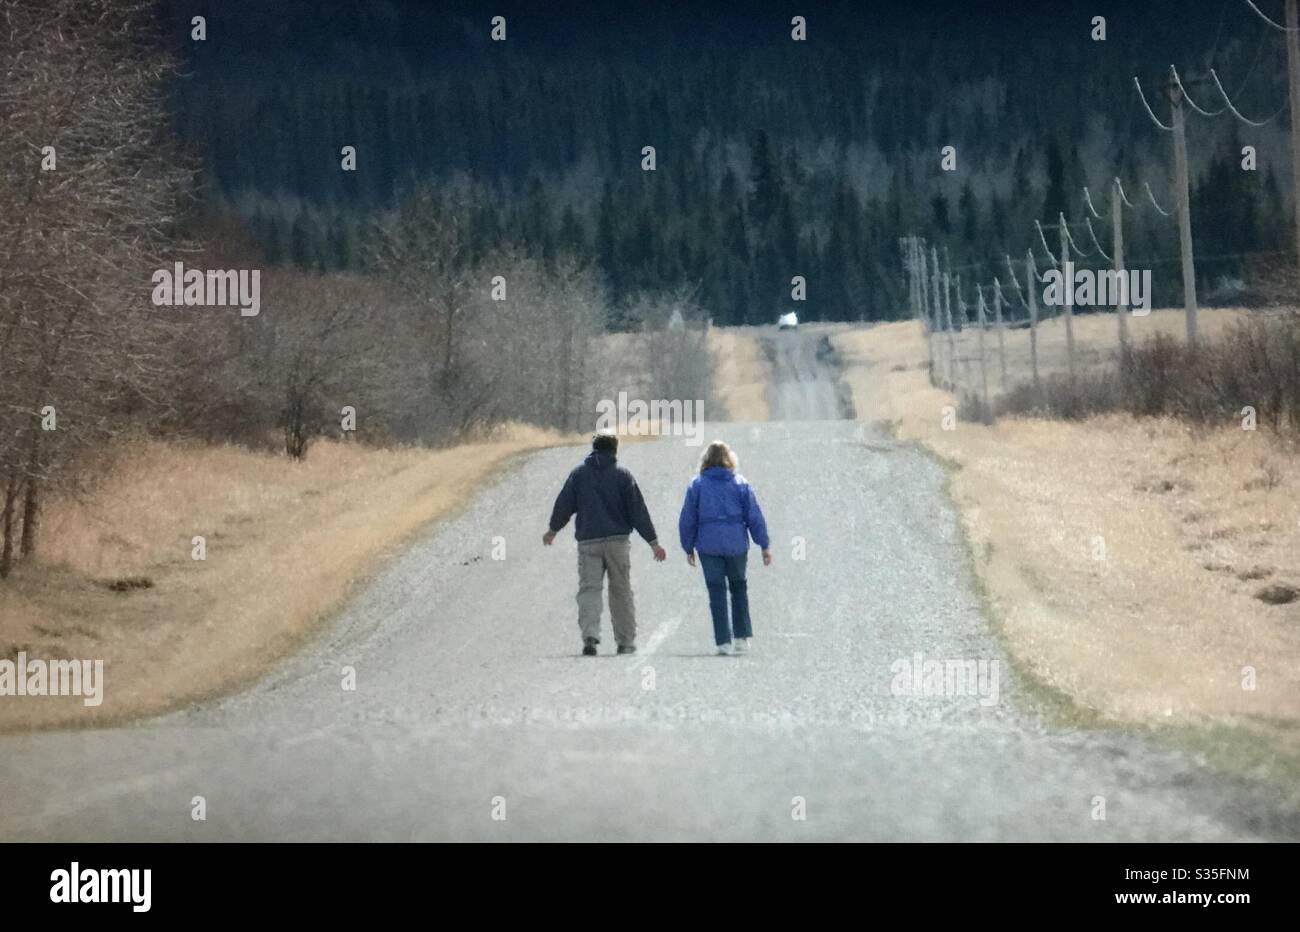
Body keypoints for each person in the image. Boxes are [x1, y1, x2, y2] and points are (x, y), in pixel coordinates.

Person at [545, 429, 666, 656]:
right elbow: (638, 511)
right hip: (617, 543)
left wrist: (553, 530)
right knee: (621, 590)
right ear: (615, 449)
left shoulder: (578, 475)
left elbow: (564, 504)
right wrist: (653, 542)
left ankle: (590, 636)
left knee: (589, 589)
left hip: (588, 542)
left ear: (594, 449)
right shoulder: (623, 476)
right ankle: (625, 641)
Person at [677, 440, 771, 655]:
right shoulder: (740, 484)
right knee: (739, 587)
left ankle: (723, 642)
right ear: (729, 459)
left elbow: (688, 518)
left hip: (708, 545)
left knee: (716, 591)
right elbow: (754, 516)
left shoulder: (697, 485)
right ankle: (741, 637)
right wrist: (763, 544)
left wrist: (688, 546)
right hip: (736, 543)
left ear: (706, 460)